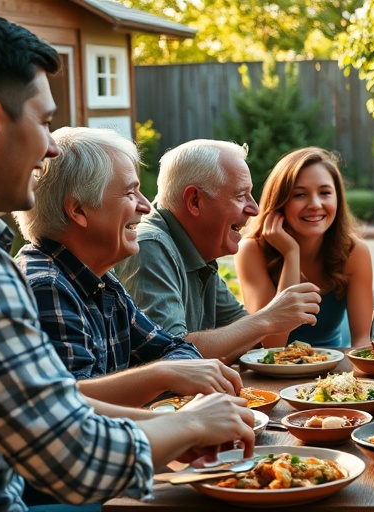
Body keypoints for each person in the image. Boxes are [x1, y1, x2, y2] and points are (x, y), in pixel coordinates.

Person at [0, 8, 253, 511]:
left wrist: (183, 420)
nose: (49, 149)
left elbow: (54, 404)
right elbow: (75, 459)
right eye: (44, 122)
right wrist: (189, 422)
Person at [13, 127, 244, 407]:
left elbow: (177, 348)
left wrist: (168, 371)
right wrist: (162, 374)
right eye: (130, 192)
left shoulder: (101, 282)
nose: (146, 206)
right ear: (78, 210)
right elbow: (70, 405)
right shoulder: (47, 286)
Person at [115, 139, 321, 364]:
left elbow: (252, 341)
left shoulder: (197, 250)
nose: (255, 209)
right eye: (241, 196)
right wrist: (267, 318)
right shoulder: (150, 246)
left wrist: (265, 322)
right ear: (195, 201)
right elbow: (173, 358)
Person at [236, 147, 373, 348]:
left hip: (333, 369)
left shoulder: (354, 251)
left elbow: (363, 340)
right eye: (299, 195)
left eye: (325, 192)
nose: (315, 204)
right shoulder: (251, 250)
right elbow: (271, 345)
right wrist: (291, 255)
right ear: (280, 202)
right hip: (271, 373)